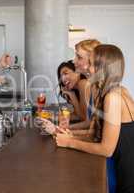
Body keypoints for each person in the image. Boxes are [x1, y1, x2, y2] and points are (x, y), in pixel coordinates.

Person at [48, 44, 134, 193]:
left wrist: (69, 142)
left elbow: (106, 149)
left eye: (92, 64)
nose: (87, 68)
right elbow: (95, 132)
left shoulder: (113, 97)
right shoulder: (113, 91)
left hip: (126, 174)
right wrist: (70, 134)